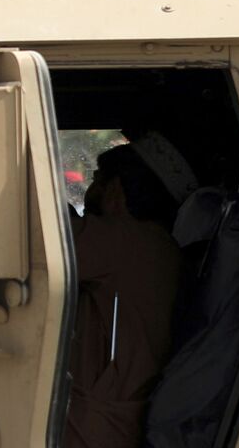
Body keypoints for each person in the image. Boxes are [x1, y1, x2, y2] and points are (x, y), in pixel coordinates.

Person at [68, 144, 183, 447]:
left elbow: (43, 245)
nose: (90, 190)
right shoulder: (158, 245)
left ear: (116, 189)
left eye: (97, 179)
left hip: (88, 425)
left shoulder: (125, 240)